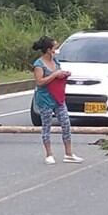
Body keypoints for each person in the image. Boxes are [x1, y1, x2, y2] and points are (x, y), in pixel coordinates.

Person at [31, 36, 82, 165]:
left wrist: (63, 74)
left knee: (66, 123)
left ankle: (69, 153)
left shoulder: (56, 62)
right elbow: (39, 82)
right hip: (45, 98)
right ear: (48, 50)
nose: (56, 50)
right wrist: (54, 75)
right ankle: (49, 154)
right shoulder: (39, 64)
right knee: (46, 125)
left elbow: (57, 76)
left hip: (58, 97)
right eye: (55, 47)